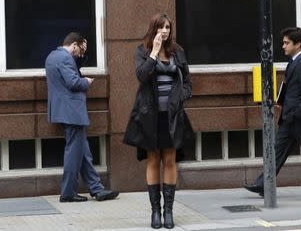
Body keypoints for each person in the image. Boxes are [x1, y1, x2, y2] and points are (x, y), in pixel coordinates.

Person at [244, 27, 301, 201]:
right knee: (277, 151)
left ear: (298, 44)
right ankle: (263, 183)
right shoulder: (294, 61)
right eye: (283, 42)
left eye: (286, 43)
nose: (283, 46)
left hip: (300, 119)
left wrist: (295, 114)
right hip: (289, 118)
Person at [123, 13, 194, 229]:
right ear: (153, 29)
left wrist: (180, 96)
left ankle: (169, 211)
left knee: (170, 159)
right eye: (161, 27)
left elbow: (188, 82)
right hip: (150, 116)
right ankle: (155, 212)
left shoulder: (177, 51)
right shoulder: (142, 50)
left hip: (172, 115)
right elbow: (142, 76)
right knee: (153, 159)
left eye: (168, 28)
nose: (165, 31)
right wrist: (153, 53)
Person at [45, 32, 119, 203]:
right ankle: (68, 193)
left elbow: (69, 72)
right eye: (80, 50)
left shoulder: (53, 56)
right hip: (72, 112)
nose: (80, 54)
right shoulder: (65, 58)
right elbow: (73, 82)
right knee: (74, 153)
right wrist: (86, 82)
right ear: (74, 45)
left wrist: (81, 57)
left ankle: (97, 189)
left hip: (63, 111)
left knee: (83, 152)